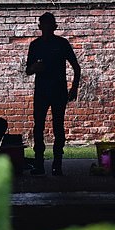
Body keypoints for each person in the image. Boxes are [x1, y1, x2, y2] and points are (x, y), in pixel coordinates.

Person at [25, 12, 81, 176]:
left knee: (58, 126)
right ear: (40, 27)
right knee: (39, 127)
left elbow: (76, 67)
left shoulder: (62, 43)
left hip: (58, 90)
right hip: (42, 90)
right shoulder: (35, 45)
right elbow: (28, 70)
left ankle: (57, 163)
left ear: (54, 26)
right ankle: (40, 163)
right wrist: (35, 67)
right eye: (45, 25)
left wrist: (74, 87)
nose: (47, 28)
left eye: (50, 25)